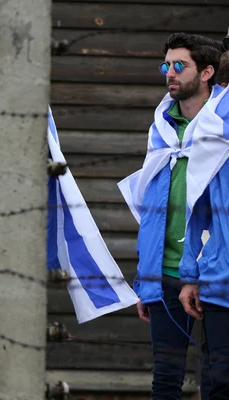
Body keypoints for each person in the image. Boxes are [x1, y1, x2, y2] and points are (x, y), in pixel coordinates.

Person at [118, 33, 224, 397]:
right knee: (164, 379)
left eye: (181, 65)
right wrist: (145, 280)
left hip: (213, 271)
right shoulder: (161, 128)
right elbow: (151, 209)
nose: (170, 73)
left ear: (207, 71)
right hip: (164, 274)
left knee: (217, 379)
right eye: (166, 65)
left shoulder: (221, 126)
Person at [179, 48, 229, 398]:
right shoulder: (213, 123)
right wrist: (189, 274)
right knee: (219, 381)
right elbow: (196, 206)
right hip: (221, 283)